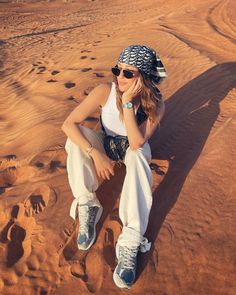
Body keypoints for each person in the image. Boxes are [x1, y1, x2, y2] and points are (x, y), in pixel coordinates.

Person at [61, 44, 167, 289]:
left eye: (129, 73)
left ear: (145, 77)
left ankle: (130, 239)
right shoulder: (104, 91)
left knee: (141, 154)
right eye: (117, 70)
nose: (120, 77)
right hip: (105, 145)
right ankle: (88, 204)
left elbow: (136, 141)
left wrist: (129, 103)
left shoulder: (156, 105)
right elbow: (68, 124)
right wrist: (95, 154)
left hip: (130, 150)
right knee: (74, 140)